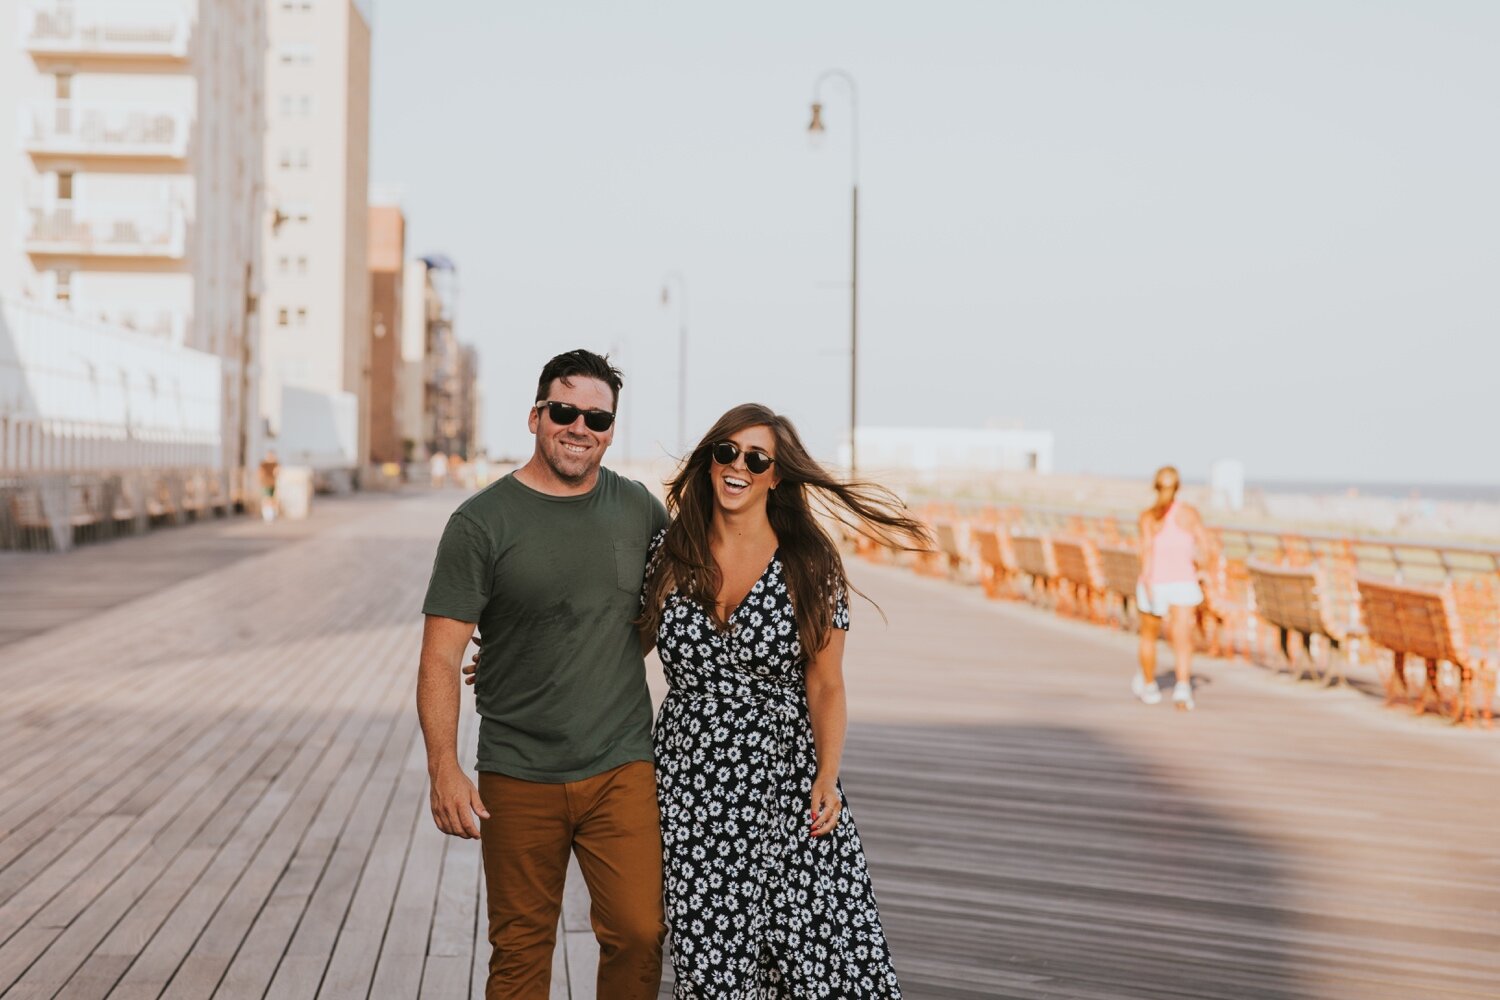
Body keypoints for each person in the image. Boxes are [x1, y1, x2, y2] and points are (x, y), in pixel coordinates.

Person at [639, 403, 929, 998]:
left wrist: (827, 774)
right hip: (690, 791)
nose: (737, 465)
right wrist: (520, 652)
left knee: (817, 955)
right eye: (726, 451)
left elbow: (825, 683)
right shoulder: (671, 554)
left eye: (756, 458)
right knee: (711, 961)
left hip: (786, 784)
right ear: (709, 461)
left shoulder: (810, 562)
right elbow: (617, 642)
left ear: (777, 476)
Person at [417, 349, 668, 999]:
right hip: (518, 770)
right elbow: (441, 656)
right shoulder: (481, 523)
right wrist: (444, 765)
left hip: (621, 764)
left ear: (612, 430)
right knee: (521, 953)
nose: (580, 427)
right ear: (536, 416)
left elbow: (667, 610)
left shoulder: (641, 510)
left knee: (640, 934)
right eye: (565, 411)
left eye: (598, 417)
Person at [1134, 465, 1215, 710]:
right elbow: (1208, 547)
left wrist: (1147, 579)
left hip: (1155, 582)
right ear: (1178, 487)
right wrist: (1202, 570)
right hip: (1183, 582)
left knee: (1149, 637)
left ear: (1155, 486)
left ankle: (1149, 687)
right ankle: (1182, 689)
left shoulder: (1148, 517)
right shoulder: (1189, 514)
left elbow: (1146, 551)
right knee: (1182, 638)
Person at [257, 449, 279, 523]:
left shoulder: (275, 463)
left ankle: (271, 514)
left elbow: (277, 472)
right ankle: (267, 515)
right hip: (266, 483)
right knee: (266, 499)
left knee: (272, 499)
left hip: (272, 483)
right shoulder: (264, 464)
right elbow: (260, 472)